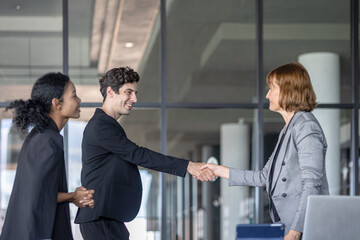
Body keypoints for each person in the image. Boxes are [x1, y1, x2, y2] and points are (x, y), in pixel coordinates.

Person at [74, 67, 214, 240]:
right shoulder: (101, 126)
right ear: (110, 92)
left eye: (135, 93)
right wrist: (188, 166)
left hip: (106, 217)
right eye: (129, 92)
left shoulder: (105, 125)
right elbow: (138, 154)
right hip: (100, 217)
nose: (134, 98)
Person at [201, 63, 329, 240]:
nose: (267, 95)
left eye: (272, 88)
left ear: (288, 90)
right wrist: (218, 170)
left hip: (304, 229)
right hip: (288, 225)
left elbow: (312, 183)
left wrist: (295, 231)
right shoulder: (288, 129)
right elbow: (264, 177)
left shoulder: (306, 127)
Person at [0, 73, 95, 240]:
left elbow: (40, 191)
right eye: (73, 95)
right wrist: (73, 196)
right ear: (57, 103)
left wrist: (73, 196)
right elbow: (39, 194)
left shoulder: (42, 136)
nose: (79, 100)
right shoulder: (47, 140)